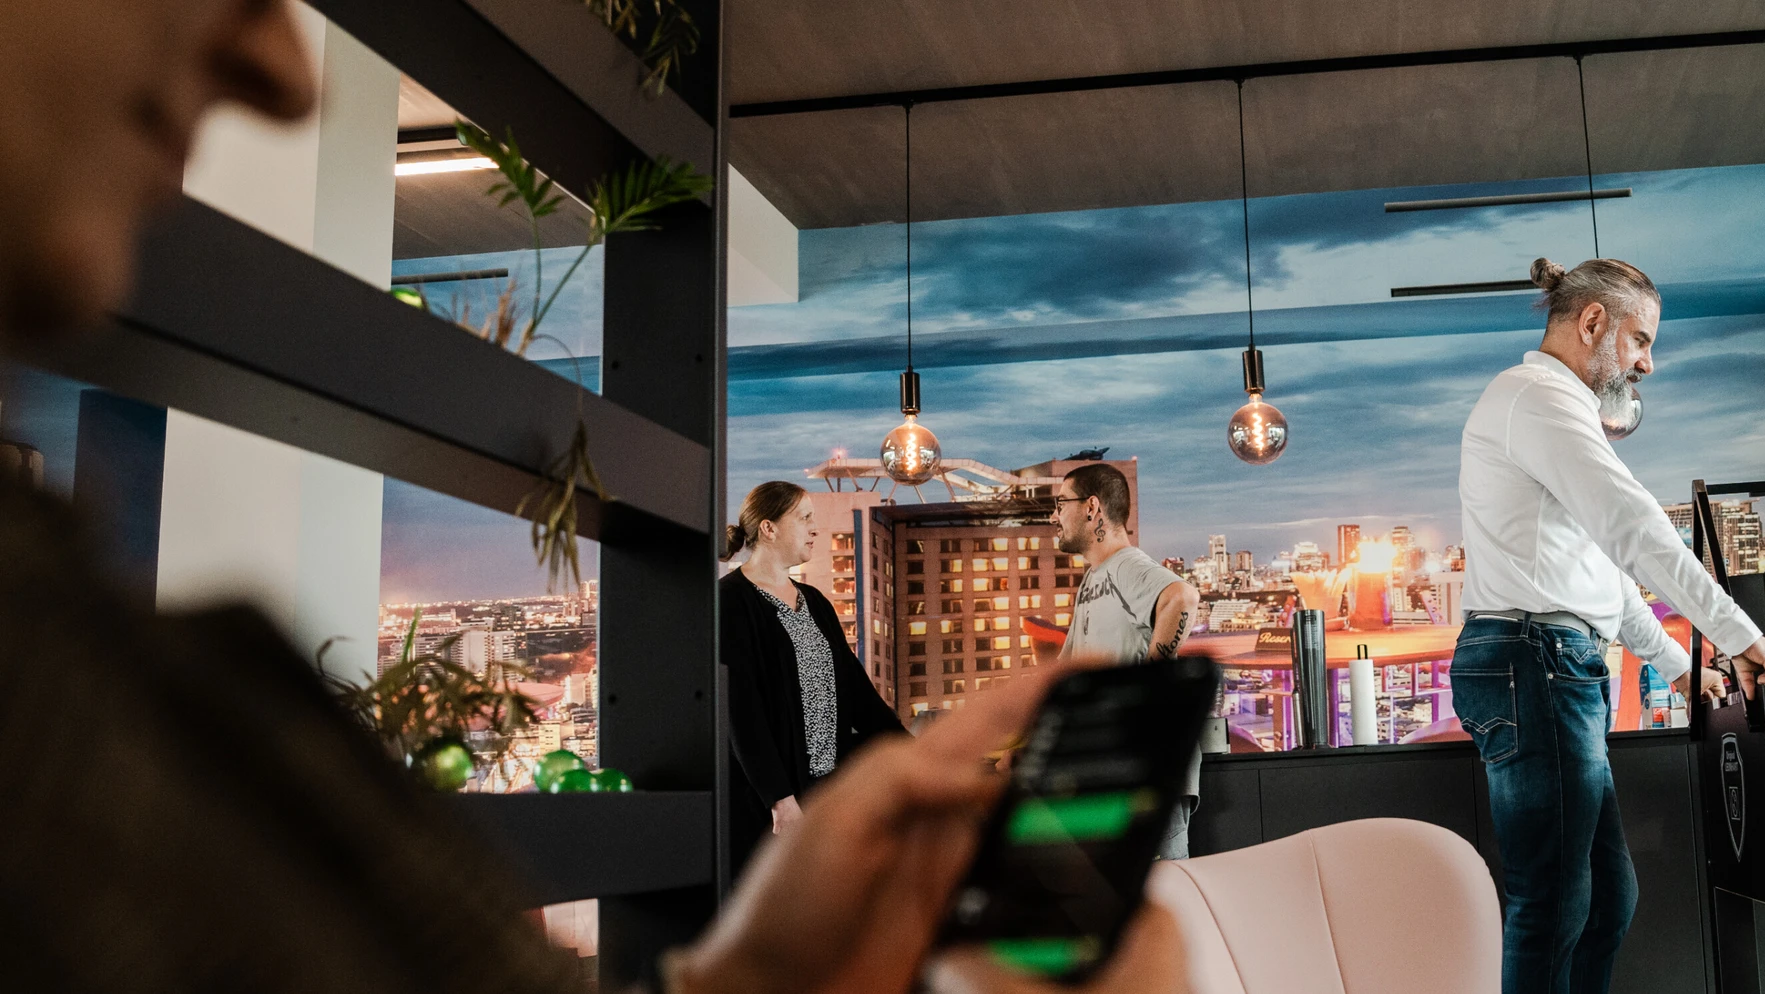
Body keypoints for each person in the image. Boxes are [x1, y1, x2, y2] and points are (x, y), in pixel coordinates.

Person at [0, 3, 1182, 991]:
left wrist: (771, 962)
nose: (282, 68)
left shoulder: (120, 686)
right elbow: (747, 726)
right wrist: (783, 825)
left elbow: (857, 707)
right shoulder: (100, 727)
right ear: (769, 526)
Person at [1456, 256, 1765, 994]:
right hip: (1531, 660)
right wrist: (1740, 635)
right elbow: (1635, 526)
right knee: (1553, 901)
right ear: (1592, 323)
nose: (1648, 361)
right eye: (1640, 340)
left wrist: (1682, 666)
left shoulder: (1556, 408)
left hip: (1552, 660)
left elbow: (1604, 581)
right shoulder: (1536, 398)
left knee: (1609, 898)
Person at [721, 480, 907, 850]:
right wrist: (780, 800)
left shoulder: (815, 602)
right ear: (768, 528)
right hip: (770, 808)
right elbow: (741, 712)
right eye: (804, 518)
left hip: (825, 792)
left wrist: (913, 752)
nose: (814, 528)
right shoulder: (730, 602)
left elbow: (857, 695)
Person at [1050, 462, 1203, 858]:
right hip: (1115, 779)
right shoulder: (1093, 579)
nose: (1054, 516)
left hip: (1148, 774)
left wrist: (1147, 688)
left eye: (1060, 503)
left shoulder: (1125, 565)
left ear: (1091, 507)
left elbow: (1182, 598)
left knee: (1161, 902)